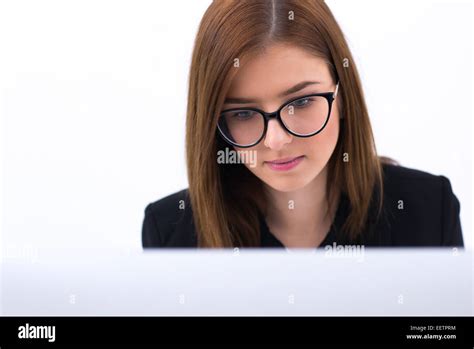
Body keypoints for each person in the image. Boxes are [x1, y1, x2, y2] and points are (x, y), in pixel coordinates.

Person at [142, 0, 463, 248]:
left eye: (300, 102)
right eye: (243, 114)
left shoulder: (428, 208)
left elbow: (439, 335)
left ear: (343, 96)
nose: (276, 140)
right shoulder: (170, 231)